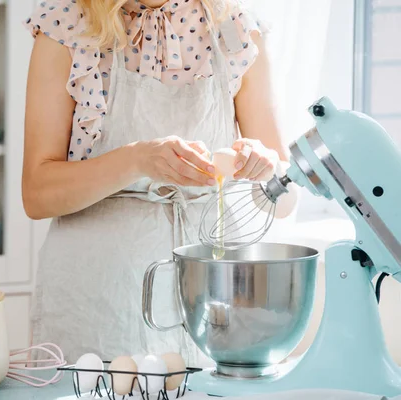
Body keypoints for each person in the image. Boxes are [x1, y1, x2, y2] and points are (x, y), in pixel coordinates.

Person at [22, 0, 297, 365]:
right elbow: (37, 194)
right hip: (97, 301)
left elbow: (287, 198)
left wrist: (264, 166)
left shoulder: (236, 27)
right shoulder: (67, 24)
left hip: (211, 301)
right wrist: (137, 159)